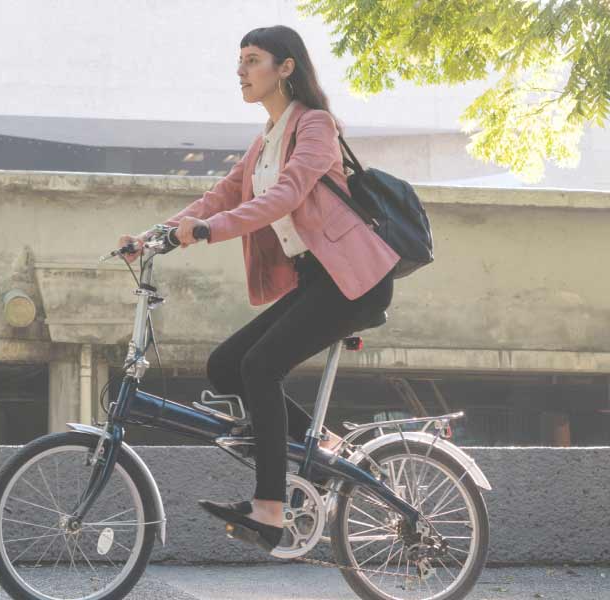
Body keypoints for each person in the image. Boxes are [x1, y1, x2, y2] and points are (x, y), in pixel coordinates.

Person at [117, 24, 400, 552]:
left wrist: (210, 232)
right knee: (226, 366)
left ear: (285, 67)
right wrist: (155, 235)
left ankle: (270, 507)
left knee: (261, 367)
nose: (241, 70)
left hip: (354, 279)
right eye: (239, 61)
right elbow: (219, 195)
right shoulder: (264, 141)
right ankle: (327, 449)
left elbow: (290, 193)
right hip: (318, 280)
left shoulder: (316, 126)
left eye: (252, 60)